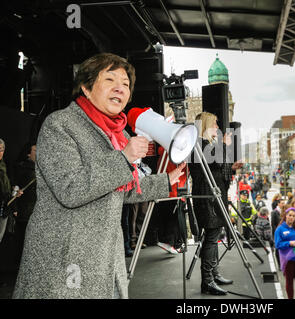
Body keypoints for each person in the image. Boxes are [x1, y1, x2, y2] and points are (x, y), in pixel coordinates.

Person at [13, 53, 185, 299]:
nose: (120, 88)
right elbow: (70, 189)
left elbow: (122, 191)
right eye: (110, 79)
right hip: (65, 256)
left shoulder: (119, 134)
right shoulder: (60, 125)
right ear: (86, 86)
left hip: (106, 257)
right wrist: (123, 158)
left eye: (125, 84)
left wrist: (166, 181)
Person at [189, 111, 242, 296]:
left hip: (213, 196)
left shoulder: (206, 144)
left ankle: (214, 273)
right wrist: (225, 145)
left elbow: (217, 168)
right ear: (206, 125)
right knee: (211, 237)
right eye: (215, 124)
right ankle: (208, 281)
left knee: (214, 236)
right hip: (207, 198)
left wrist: (232, 168)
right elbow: (215, 163)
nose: (218, 128)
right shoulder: (198, 144)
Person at [12, 143, 36, 262]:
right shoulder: (22, 168)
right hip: (24, 212)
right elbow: (15, 188)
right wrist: (15, 208)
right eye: (35, 150)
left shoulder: (39, 168)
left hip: (33, 212)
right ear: (28, 153)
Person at [0, 138, 23, 243]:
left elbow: (10, 186)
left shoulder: (6, 165)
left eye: (1, 149)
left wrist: (15, 194)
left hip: (4, 208)